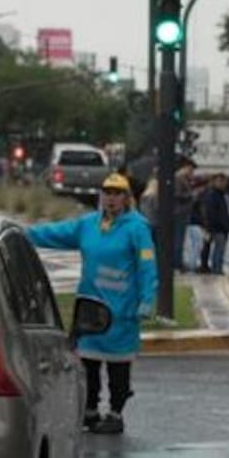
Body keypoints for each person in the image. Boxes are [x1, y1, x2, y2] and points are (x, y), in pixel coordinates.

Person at [26, 172, 158, 435]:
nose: (111, 198)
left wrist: (146, 299)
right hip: (90, 309)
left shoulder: (137, 228)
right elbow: (56, 233)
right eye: (107, 193)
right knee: (88, 365)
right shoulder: (88, 224)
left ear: (127, 198)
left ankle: (116, 413)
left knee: (118, 367)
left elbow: (147, 266)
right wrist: (24, 234)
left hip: (121, 312)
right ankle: (90, 410)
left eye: (117, 194)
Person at [197, 173, 229, 274]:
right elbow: (211, 212)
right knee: (218, 250)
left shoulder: (223, 195)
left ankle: (216, 268)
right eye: (220, 181)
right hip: (217, 227)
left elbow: (227, 211)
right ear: (214, 182)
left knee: (218, 249)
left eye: (224, 181)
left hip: (221, 227)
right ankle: (216, 269)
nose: (223, 184)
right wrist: (211, 226)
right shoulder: (212, 195)